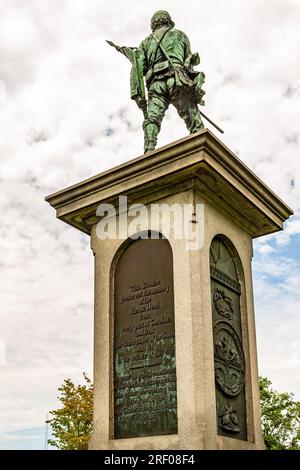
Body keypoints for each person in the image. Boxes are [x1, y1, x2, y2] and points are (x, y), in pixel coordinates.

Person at [130, 10, 206, 153]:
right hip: (177, 80)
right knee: (191, 115)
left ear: (153, 24)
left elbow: (139, 68)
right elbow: (188, 62)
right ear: (168, 21)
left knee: (152, 118)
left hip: (156, 84)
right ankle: (202, 147)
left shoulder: (146, 42)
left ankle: (149, 148)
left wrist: (136, 94)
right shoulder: (180, 34)